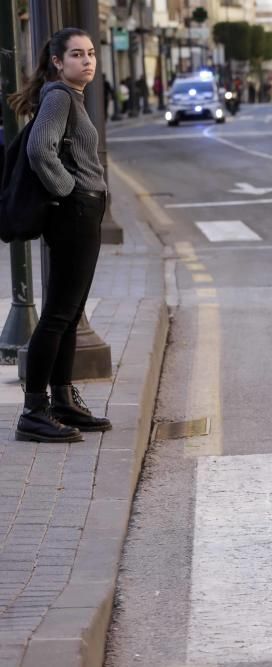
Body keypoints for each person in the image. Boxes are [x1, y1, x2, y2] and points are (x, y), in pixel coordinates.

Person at [7, 27, 113, 442]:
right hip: (74, 211)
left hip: (84, 210)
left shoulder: (72, 96)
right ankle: (33, 411)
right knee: (57, 315)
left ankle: (63, 400)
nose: (86, 61)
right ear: (57, 61)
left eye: (90, 54)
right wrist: (68, 192)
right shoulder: (58, 96)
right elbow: (39, 149)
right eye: (76, 55)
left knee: (70, 315)